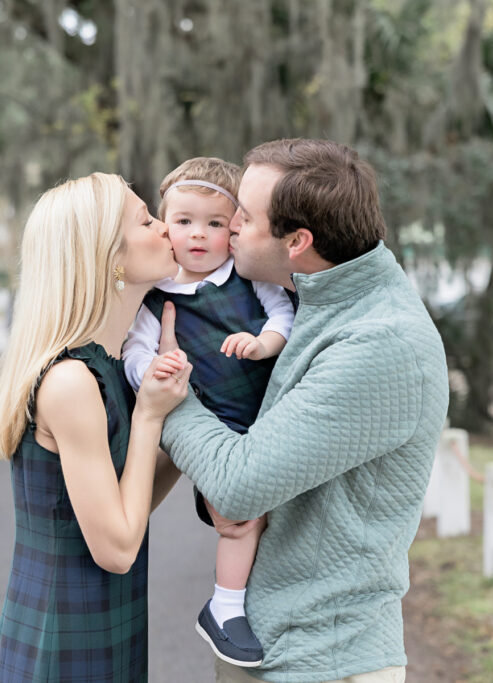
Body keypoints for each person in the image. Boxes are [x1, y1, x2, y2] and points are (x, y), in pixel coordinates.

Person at [153, 139, 450, 683]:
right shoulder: (315, 296)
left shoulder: (381, 343)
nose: (230, 224)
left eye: (244, 214)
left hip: (322, 657)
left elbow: (237, 485)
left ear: (298, 241)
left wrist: (165, 396)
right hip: (272, 641)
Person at [0, 172, 191, 683]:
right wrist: (149, 416)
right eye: (145, 220)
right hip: (63, 645)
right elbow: (117, 549)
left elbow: (128, 503)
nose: (166, 228)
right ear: (110, 258)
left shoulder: (112, 364)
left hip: (106, 629)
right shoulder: (71, 380)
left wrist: (192, 424)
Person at [122, 157, 295, 667]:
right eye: (184, 222)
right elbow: (135, 353)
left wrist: (265, 343)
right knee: (238, 520)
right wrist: (152, 371)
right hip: (220, 432)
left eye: (215, 224)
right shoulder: (154, 300)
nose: (199, 235)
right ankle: (226, 606)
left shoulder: (245, 276)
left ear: (234, 231)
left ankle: (271, 600)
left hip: (273, 417)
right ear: (164, 227)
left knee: (279, 517)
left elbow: (283, 313)